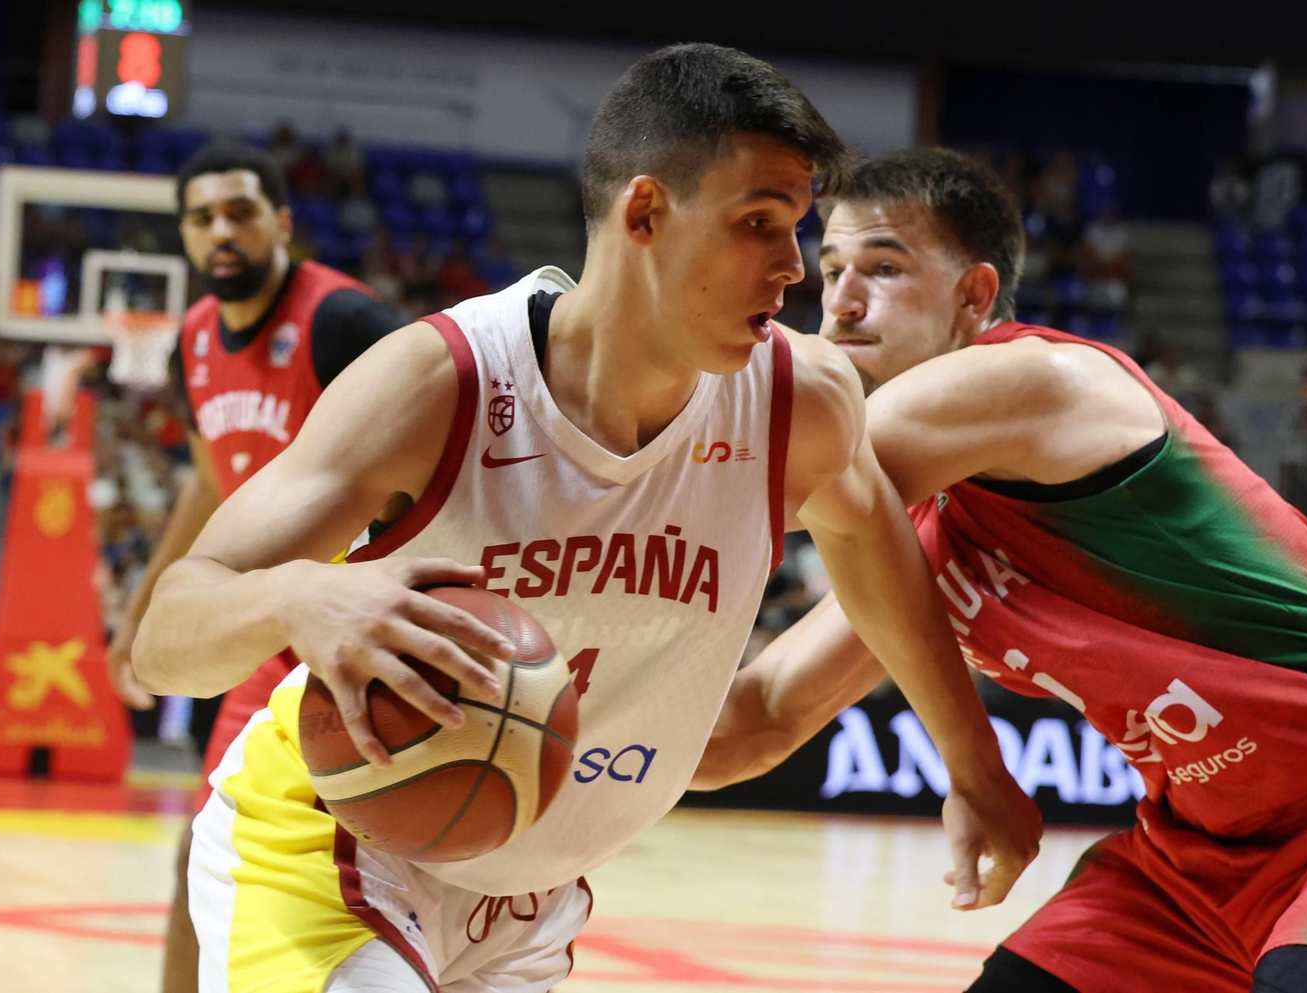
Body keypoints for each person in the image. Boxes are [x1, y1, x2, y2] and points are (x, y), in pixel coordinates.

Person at [131, 46, 1039, 993]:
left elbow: (875, 551)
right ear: (644, 211)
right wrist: (298, 596)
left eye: (797, 228)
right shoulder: (441, 384)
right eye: (759, 224)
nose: (792, 269)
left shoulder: (800, 405)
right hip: (332, 846)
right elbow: (165, 638)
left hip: (535, 902)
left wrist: (972, 762)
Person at [695, 147, 1307, 993]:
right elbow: (757, 717)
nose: (839, 301)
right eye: (831, 268)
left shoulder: (1042, 382)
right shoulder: (898, 527)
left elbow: (791, 466)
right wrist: (581, 723)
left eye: (882, 267)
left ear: (974, 296)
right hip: (1188, 868)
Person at [105, 142, 410, 993]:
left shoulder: (343, 322)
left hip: (352, 617)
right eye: (202, 218)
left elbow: (435, 444)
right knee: (205, 841)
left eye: (240, 212)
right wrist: (142, 612)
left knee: (380, 859)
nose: (221, 232)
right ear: (186, 236)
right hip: (261, 622)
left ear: (282, 222)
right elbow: (209, 483)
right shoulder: (194, 339)